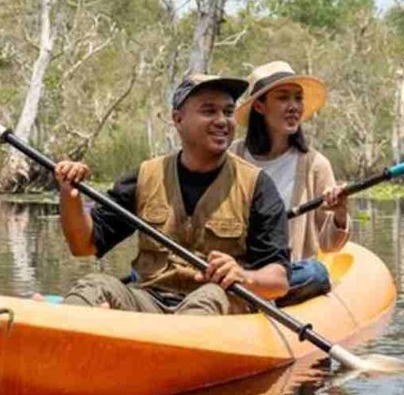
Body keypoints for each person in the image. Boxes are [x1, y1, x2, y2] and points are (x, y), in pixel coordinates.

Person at [52, 73, 291, 315]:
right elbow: (84, 245)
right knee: (96, 285)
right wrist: (69, 194)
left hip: (220, 307)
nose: (222, 121)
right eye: (209, 111)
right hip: (150, 300)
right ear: (178, 120)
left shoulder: (257, 185)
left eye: (228, 112)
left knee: (209, 295)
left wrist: (244, 277)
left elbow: (279, 281)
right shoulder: (145, 176)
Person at [232, 61, 349, 306]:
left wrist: (339, 213)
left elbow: (329, 245)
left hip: (288, 274)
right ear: (260, 106)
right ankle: (242, 291)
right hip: (238, 268)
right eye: (283, 98)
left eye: (298, 98)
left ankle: (248, 295)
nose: (294, 107)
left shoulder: (315, 164)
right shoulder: (232, 158)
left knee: (316, 274)